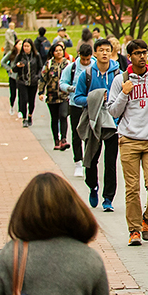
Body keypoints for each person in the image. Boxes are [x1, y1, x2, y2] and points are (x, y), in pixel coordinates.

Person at [109, 38, 148, 246]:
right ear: (130, 57)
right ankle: (134, 230)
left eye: (145, 52)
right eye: (138, 53)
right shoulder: (121, 80)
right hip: (128, 140)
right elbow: (113, 111)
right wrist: (124, 94)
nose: (143, 56)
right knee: (132, 189)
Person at [74, 37, 122, 212]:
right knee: (92, 160)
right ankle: (92, 186)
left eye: (107, 50)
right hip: (93, 122)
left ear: (112, 52)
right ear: (95, 53)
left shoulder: (118, 75)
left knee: (110, 162)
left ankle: (108, 198)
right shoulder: (86, 75)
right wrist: (94, 98)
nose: (104, 53)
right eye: (101, 50)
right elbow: (77, 98)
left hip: (112, 123)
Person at [62, 43, 94, 177]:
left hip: (90, 105)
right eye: (83, 59)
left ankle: (89, 161)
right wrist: (71, 89)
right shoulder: (72, 67)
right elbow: (62, 83)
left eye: (88, 59)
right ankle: (78, 161)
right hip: (75, 105)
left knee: (90, 135)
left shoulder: (95, 66)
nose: (86, 62)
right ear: (79, 55)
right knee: (76, 134)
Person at [39, 42, 72, 150]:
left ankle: (63, 139)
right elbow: (43, 78)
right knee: (54, 118)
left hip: (64, 95)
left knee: (63, 115)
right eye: (56, 50)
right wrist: (41, 92)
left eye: (60, 50)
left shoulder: (68, 63)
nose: (59, 52)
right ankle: (56, 140)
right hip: (51, 95)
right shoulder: (49, 64)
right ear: (53, 52)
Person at [13, 38, 43, 128]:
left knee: (31, 100)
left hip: (33, 82)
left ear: (31, 47)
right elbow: (14, 68)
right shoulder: (20, 56)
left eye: (28, 46)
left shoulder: (36, 56)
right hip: (22, 81)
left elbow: (40, 67)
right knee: (24, 99)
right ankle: (24, 118)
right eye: (24, 46)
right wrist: (18, 66)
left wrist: (37, 76)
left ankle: (30, 115)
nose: (26, 48)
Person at [1, 41, 19, 115]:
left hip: (21, 77)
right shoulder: (11, 53)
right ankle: (12, 106)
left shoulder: (24, 54)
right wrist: (9, 69)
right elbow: (3, 62)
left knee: (22, 94)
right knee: (13, 93)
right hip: (13, 76)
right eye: (19, 44)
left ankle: (20, 110)